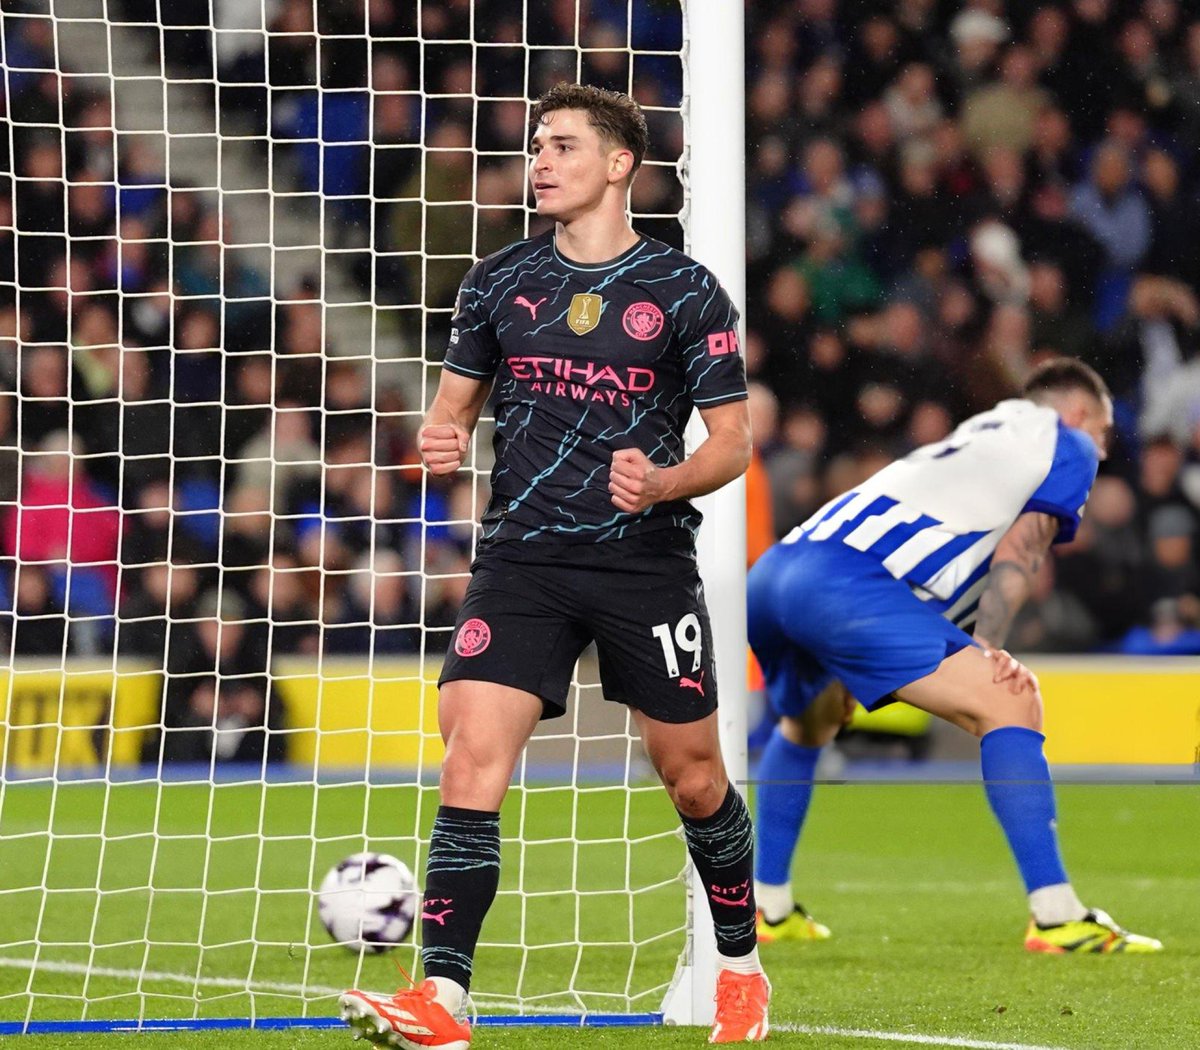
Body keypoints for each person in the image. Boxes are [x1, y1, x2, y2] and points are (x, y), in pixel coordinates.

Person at [340, 83, 770, 1046]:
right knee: (470, 755)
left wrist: (664, 481)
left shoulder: (685, 291)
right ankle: (443, 997)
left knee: (693, 777)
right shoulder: (496, 281)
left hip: (642, 562)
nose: (540, 161)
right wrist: (442, 437)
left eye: (563, 146)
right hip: (521, 558)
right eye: (536, 145)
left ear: (620, 164)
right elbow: (450, 411)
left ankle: (740, 967)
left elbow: (734, 444)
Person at [748, 358, 1164, 955]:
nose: (1100, 452)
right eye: (1103, 434)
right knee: (1012, 699)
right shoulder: (1065, 442)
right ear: (1079, 415)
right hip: (843, 584)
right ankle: (1056, 916)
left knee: (809, 722)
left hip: (779, 571)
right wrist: (988, 649)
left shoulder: (981, 433)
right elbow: (1021, 551)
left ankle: (768, 905)